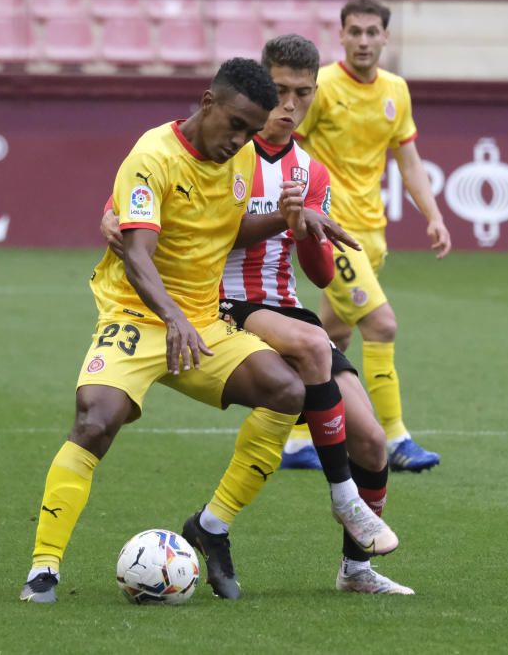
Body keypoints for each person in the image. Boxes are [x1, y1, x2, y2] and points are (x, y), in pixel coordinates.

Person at [105, 35, 415, 594]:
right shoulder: (223, 148)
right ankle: (342, 499)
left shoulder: (311, 172)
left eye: (305, 93)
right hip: (219, 303)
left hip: (286, 310)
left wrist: (303, 227)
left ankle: (354, 568)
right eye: (280, 92)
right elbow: (131, 205)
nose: (290, 106)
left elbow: (319, 276)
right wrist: (109, 220)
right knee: (312, 349)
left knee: (370, 439)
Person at [20, 58, 307, 604]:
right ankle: (44, 568)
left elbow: (227, 229)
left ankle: (212, 525)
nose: (241, 140)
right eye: (236, 124)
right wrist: (171, 317)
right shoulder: (152, 157)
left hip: (199, 324)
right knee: (95, 420)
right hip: (136, 316)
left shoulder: (241, 157)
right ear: (207, 103)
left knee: (286, 390)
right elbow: (137, 254)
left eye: (251, 130)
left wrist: (283, 220)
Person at [286, 0, 452, 473]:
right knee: (381, 325)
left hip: (372, 235)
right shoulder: (322, 89)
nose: (362, 40)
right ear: (340, 35)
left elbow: (409, 160)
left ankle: (296, 439)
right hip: (331, 232)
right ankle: (396, 438)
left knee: (329, 337)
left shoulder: (396, 91)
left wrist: (434, 215)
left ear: (385, 37)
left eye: (370, 32)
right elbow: (287, 149)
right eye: (353, 31)